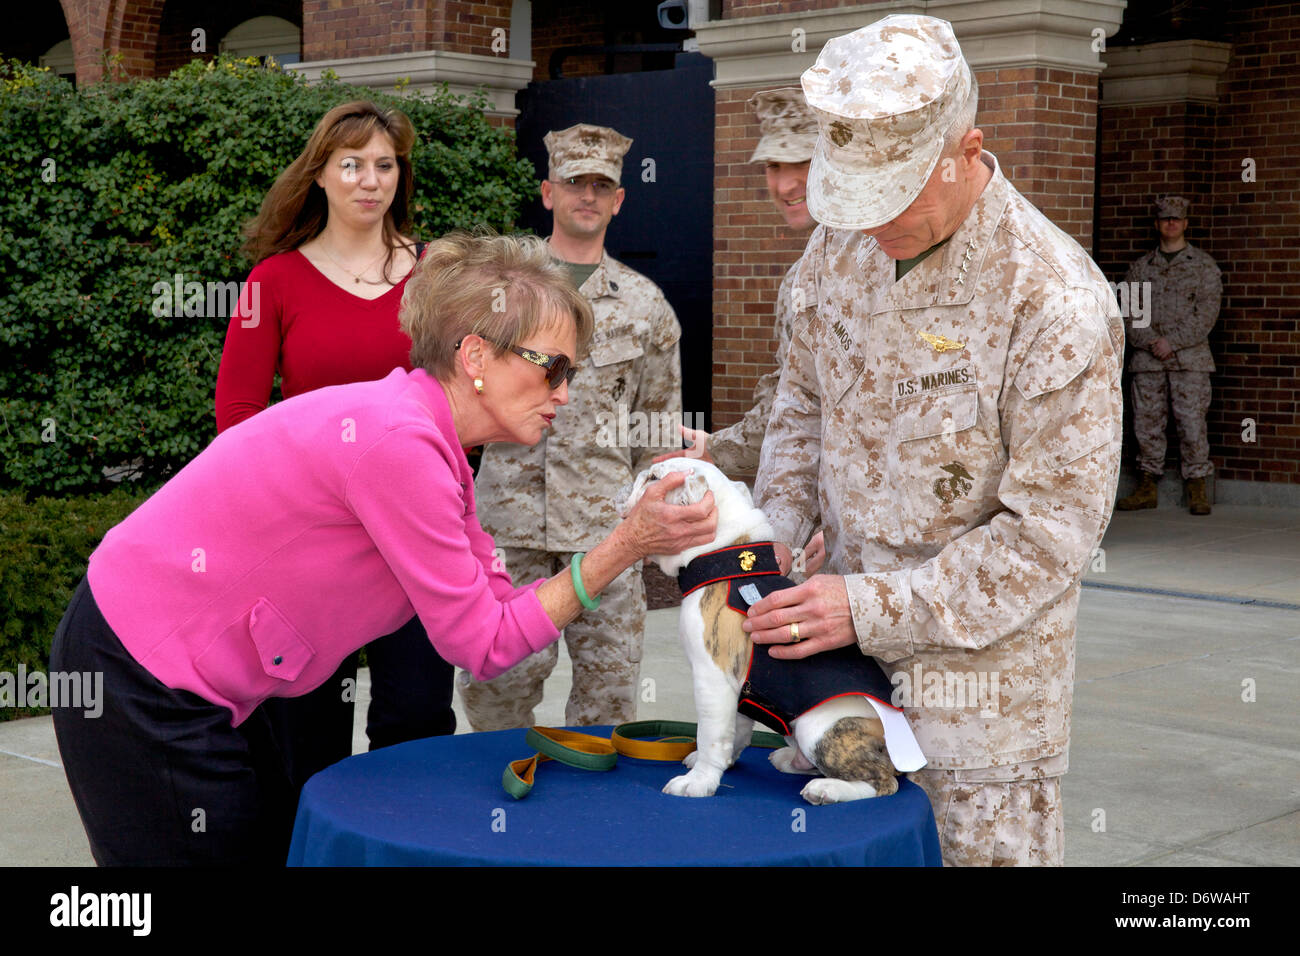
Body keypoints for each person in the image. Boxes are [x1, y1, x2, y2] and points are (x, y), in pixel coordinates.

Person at [50, 232, 718, 866]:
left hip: (181, 679)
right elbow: (483, 646)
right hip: (138, 671)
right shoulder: (398, 445)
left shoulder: (432, 446)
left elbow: (500, 617)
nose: (565, 394)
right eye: (553, 368)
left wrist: (625, 543)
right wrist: (628, 545)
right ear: (476, 357)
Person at [741, 15, 1125, 866]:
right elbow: (801, 404)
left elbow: (1051, 534)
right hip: (834, 687)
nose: (870, 222)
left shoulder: (1054, 301)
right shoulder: (835, 251)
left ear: (968, 149)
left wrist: (868, 606)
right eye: (854, 193)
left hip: (978, 709)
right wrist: (768, 535)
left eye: (896, 195)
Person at [214, 100, 455, 796]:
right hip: (307, 539)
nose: (368, 180)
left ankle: (407, 847)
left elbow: (463, 395)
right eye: (351, 164)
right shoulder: (274, 282)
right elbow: (238, 415)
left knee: (416, 717)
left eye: (384, 165)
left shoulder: (437, 273)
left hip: (413, 535)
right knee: (305, 731)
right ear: (320, 173)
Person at [460, 124, 684, 730]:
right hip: (510, 527)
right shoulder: (500, 296)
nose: (587, 195)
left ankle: (588, 816)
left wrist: (647, 526)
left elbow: (657, 432)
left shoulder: (646, 307)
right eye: (573, 182)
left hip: (605, 533)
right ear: (547, 192)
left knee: (608, 696)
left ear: (618, 200)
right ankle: (499, 803)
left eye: (600, 185)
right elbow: (457, 402)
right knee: (497, 688)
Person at [655, 87, 827, 575]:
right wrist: (712, 448)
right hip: (808, 533)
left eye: (803, 163)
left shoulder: (877, 261)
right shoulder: (801, 277)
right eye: (774, 166)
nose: (787, 184)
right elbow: (791, 404)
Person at [1116, 195, 1222, 515]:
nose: (1171, 224)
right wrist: (1152, 343)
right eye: (1165, 220)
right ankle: (1147, 485)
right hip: (1148, 361)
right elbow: (1129, 313)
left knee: (1191, 424)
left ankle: (1197, 487)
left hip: (1190, 360)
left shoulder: (1203, 267)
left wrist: (1171, 343)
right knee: (1146, 425)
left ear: (1186, 224)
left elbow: (1206, 314)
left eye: (1176, 219)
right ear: (1157, 225)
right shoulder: (1139, 268)